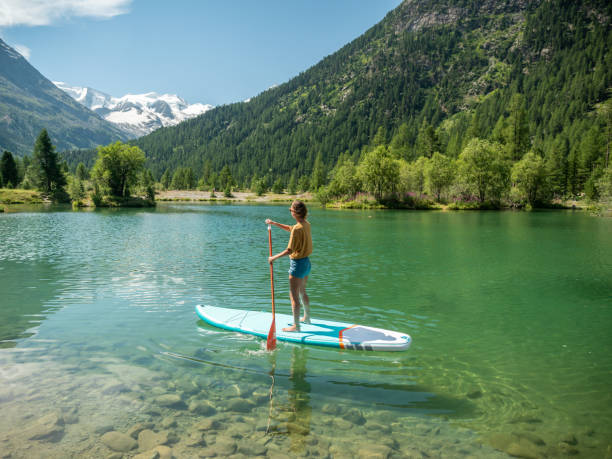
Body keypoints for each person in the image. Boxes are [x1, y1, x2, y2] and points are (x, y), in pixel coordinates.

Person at [266, 200, 312, 332]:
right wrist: (274, 223)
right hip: (307, 263)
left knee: (294, 296)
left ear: (295, 212)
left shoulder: (297, 229)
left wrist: (273, 258)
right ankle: (307, 318)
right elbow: (291, 228)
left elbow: (289, 250)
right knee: (302, 292)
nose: (290, 212)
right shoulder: (305, 224)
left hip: (297, 265)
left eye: (290, 210)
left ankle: (296, 326)